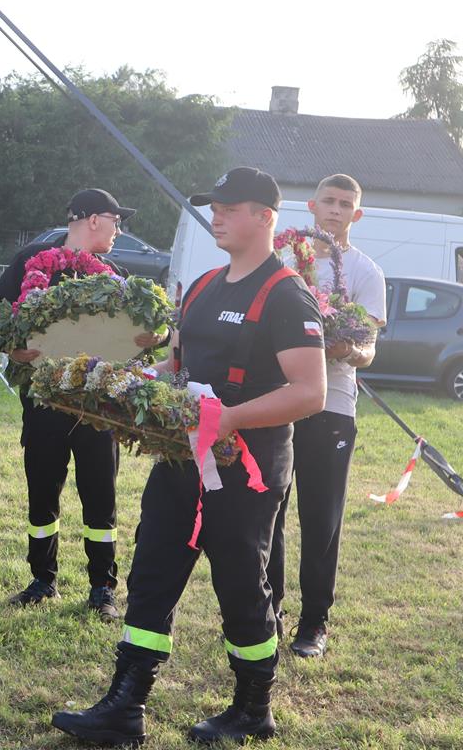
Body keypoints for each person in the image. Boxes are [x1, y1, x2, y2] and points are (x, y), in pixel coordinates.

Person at [51, 167, 327, 746]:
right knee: (151, 573)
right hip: (180, 460)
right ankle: (125, 707)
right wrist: (126, 382)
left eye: (229, 207)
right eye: (213, 207)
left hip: (246, 468)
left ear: (264, 217)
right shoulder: (202, 286)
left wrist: (231, 418)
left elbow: (310, 392)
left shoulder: (285, 293)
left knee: (241, 586)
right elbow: (176, 367)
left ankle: (252, 709)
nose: (216, 216)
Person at [0, 189, 164, 620]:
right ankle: (42, 580)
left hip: (98, 409)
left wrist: (155, 338)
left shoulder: (117, 275)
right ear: (94, 219)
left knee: (100, 496)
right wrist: (11, 347)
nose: (119, 231)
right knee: (43, 493)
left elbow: (153, 333)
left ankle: (102, 588)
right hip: (44, 403)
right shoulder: (31, 261)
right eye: (116, 221)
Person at [266, 173, 386, 659]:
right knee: (268, 512)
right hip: (274, 400)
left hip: (331, 404)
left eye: (345, 204)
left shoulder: (366, 272)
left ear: (357, 214)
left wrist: (345, 349)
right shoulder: (282, 260)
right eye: (328, 201)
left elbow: (369, 349)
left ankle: (314, 623)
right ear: (312, 207)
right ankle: (267, 611)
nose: (335, 210)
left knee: (321, 518)